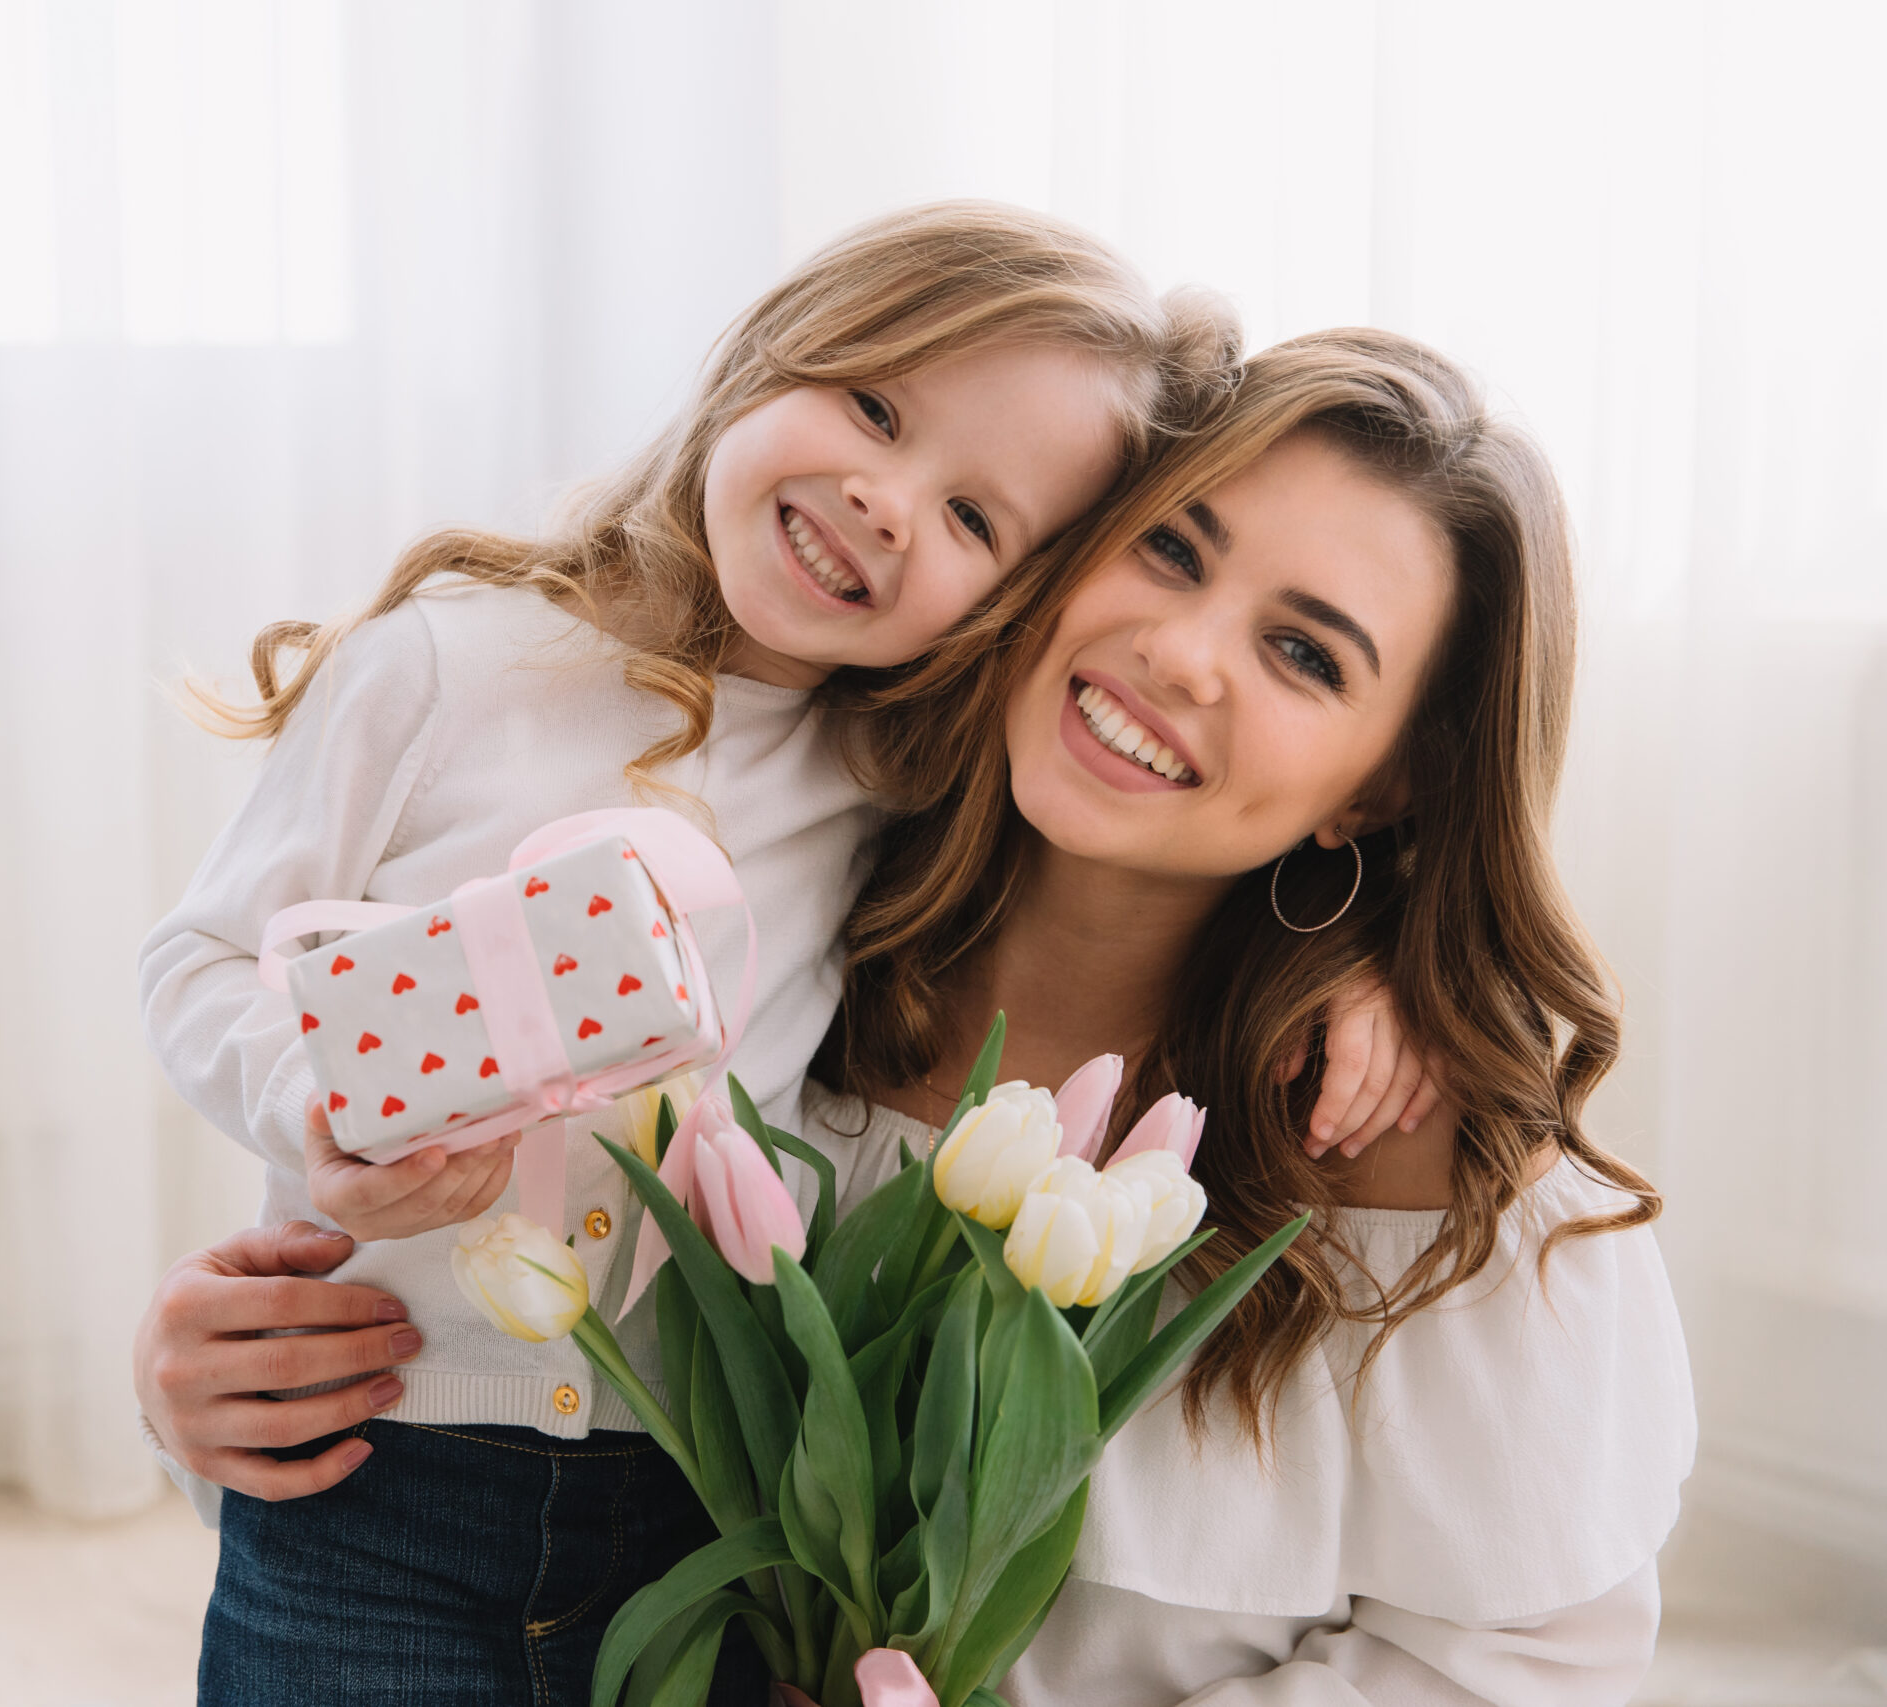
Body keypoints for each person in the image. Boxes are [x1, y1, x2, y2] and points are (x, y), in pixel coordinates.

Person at [139, 327, 1692, 1703]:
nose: (1178, 651)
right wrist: (211, 1381)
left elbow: (1527, 1663)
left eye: (1302, 653)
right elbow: (506, 1328)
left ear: (1392, 783)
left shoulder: (1394, 1133)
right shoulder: (790, 949)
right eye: (1169, 552)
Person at [140, 201, 1252, 1707]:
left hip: (696, 1501)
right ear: (765, 354)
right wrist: (318, 1104)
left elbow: (1178, 876)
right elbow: (203, 962)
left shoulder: (893, 786)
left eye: (978, 520)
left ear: (1008, 606)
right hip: (374, 1466)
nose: (887, 501)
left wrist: (1375, 989)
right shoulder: (449, 663)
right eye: (876, 406)